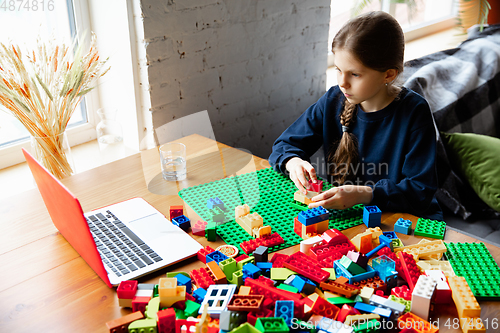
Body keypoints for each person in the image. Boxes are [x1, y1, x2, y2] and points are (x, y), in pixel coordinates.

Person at [269, 11, 443, 220]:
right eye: (338, 69)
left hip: (402, 220)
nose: (343, 82)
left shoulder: (414, 112)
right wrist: (293, 162)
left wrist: (364, 194)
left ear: (388, 74)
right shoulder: (333, 99)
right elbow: (283, 146)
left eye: (355, 74)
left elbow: (420, 191)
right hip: (349, 217)